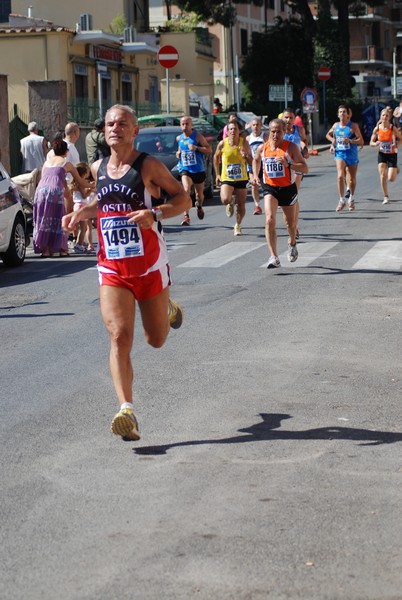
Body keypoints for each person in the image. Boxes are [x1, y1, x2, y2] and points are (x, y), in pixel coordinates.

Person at [62, 104, 191, 441]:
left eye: (122, 123)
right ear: (103, 131)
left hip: (148, 266)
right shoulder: (98, 167)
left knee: (156, 339)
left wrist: (157, 213)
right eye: (110, 123)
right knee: (119, 335)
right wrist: (80, 214)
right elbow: (103, 204)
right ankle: (126, 410)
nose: (115, 128)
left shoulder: (148, 165)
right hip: (113, 267)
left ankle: (167, 306)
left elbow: (183, 199)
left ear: (134, 130)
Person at [252, 118, 308, 268]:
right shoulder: (263, 148)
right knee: (269, 220)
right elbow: (256, 160)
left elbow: (305, 168)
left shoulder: (290, 148)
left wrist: (288, 164)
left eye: (278, 131)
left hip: (287, 188)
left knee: (290, 224)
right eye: (272, 131)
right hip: (270, 188)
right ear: (268, 132)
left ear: (284, 132)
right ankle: (273, 256)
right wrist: (255, 176)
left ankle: (292, 242)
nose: (275, 134)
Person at [33, 138, 90, 258]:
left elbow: (46, 178)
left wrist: (65, 188)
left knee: (44, 218)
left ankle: (46, 249)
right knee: (59, 217)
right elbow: (80, 181)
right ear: (66, 151)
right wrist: (94, 185)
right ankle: (62, 249)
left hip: (40, 191)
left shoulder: (46, 162)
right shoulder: (66, 163)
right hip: (55, 190)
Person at [213, 120, 252, 236]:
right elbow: (216, 158)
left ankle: (238, 225)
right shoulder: (222, 144)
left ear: (239, 131)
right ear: (227, 131)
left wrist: (245, 155)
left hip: (241, 178)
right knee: (224, 199)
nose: (233, 131)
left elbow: (251, 161)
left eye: (235, 129)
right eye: (231, 129)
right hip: (227, 177)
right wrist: (218, 174)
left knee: (241, 205)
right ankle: (230, 202)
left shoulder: (244, 143)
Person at [325, 105, 363, 212]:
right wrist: (333, 142)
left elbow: (361, 141)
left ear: (347, 114)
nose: (342, 113)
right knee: (340, 176)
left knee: (352, 179)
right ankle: (341, 200)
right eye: (340, 112)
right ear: (338, 115)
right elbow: (328, 135)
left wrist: (350, 141)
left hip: (351, 154)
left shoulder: (353, 126)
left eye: (344, 112)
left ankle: (351, 197)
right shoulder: (335, 126)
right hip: (340, 154)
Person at [176, 115, 212, 226]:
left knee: (199, 195)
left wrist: (197, 148)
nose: (184, 126)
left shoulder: (198, 137)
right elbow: (179, 150)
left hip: (198, 169)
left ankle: (199, 206)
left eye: (187, 124)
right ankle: (186, 216)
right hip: (185, 168)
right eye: (182, 124)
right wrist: (178, 154)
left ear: (191, 125)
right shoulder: (179, 138)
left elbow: (209, 150)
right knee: (186, 190)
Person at [283, 107, 309, 239]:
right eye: (286, 117)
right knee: (289, 197)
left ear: (294, 119)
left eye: (291, 118)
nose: (288, 120)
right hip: (283, 167)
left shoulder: (299, 130)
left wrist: (305, 149)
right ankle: (291, 223)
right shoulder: (279, 132)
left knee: (294, 194)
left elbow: (304, 141)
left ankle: (295, 225)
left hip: (297, 166)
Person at [370, 108, 402, 204]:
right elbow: (371, 142)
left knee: (391, 179)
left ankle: (395, 168)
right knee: (383, 175)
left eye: (387, 115)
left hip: (392, 154)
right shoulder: (377, 129)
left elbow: (401, 139)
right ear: (380, 116)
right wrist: (375, 143)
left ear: (389, 117)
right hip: (382, 154)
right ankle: (386, 196)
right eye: (383, 115)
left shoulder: (393, 128)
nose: (385, 117)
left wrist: (397, 144)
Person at [70, 161, 96, 252]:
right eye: (88, 172)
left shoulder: (77, 183)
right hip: (81, 205)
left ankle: (78, 243)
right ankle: (79, 244)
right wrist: (91, 190)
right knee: (84, 227)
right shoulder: (80, 183)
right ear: (84, 173)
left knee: (80, 227)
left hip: (78, 205)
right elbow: (84, 196)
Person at [246, 118, 268, 215]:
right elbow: (245, 151)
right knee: (254, 185)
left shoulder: (265, 137)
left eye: (258, 125)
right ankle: (257, 206)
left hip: (263, 164)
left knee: (265, 186)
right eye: (254, 125)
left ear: (261, 126)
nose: (256, 127)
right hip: (251, 164)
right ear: (251, 127)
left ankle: (270, 202)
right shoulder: (248, 138)